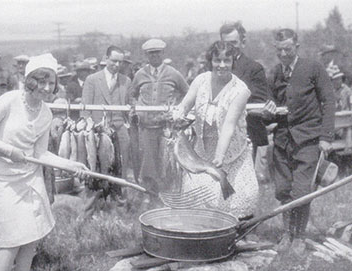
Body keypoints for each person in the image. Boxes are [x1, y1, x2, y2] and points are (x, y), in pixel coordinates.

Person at [0, 53, 87, 271]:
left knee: (31, 236)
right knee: (9, 240)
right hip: (3, 177)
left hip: (30, 177)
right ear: (29, 80)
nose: (46, 88)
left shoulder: (46, 113)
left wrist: (71, 165)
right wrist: (8, 150)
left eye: (51, 83)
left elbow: (41, 153)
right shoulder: (8, 101)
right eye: (41, 81)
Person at [173, 41, 259, 219]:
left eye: (226, 60)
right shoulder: (200, 80)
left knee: (236, 199)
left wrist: (219, 156)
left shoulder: (241, 90)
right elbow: (185, 105)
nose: (221, 65)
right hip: (202, 150)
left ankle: (237, 235)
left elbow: (229, 124)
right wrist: (177, 115)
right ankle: (202, 234)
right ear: (210, 61)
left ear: (233, 61)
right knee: (199, 198)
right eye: (217, 60)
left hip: (231, 151)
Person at [265, 29, 335, 243]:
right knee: (284, 189)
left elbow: (329, 101)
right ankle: (287, 233)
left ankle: (300, 237)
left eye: (288, 49)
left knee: (303, 190)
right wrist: (268, 113)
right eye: (279, 50)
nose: (284, 54)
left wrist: (326, 137)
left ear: (296, 47)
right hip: (282, 141)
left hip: (308, 140)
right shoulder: (275, 73)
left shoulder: (313, 68)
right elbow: (270, 114)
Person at [130, 38, 188, 200]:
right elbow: (132, 95)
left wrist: (178, 110)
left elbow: (187, 93)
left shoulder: (173, 73)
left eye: (157, 53)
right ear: (146, 56)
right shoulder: (139, 74)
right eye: (151, 54)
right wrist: (137, 109)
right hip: (147, 126)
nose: (154, 56)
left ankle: (169, 194)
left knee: (167, 161)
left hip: (166, 127)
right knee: (148, 162)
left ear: (163, 53)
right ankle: (149, 194)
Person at [80, 45, 131, 218]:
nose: (117, 64)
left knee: (120, 171)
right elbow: (84, 109)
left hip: (119, 131)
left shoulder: (126, 81)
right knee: (95, 172)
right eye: (114, 60)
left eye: (120, 62)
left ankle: (120, 213)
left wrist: (129, 120)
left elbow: (129, 107)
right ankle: (89, 212)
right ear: (106, 59)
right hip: (98, 133)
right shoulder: (92, 79)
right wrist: (90, 126)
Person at [220, 22, 270, 161]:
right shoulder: (214, 68)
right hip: (219, 135)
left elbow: (259, 103)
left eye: (233, 42)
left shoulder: (254, 68)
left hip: (246, 134)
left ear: (243, 42)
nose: (229, 47)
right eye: (225, 43)